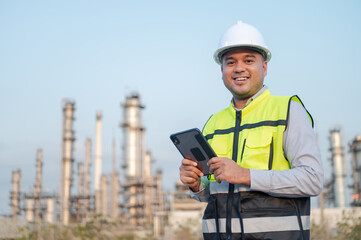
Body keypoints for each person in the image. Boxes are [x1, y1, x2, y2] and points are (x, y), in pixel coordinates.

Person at [179, 21, 323, 240]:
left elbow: (312, 179)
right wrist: (196, 185)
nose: (239, 68)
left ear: (264, 67)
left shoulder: (287, 110)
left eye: (248, 60)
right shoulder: (213, 123)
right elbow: (213, 194)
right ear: (222, 70)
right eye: (231, 62)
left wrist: (245, 175)